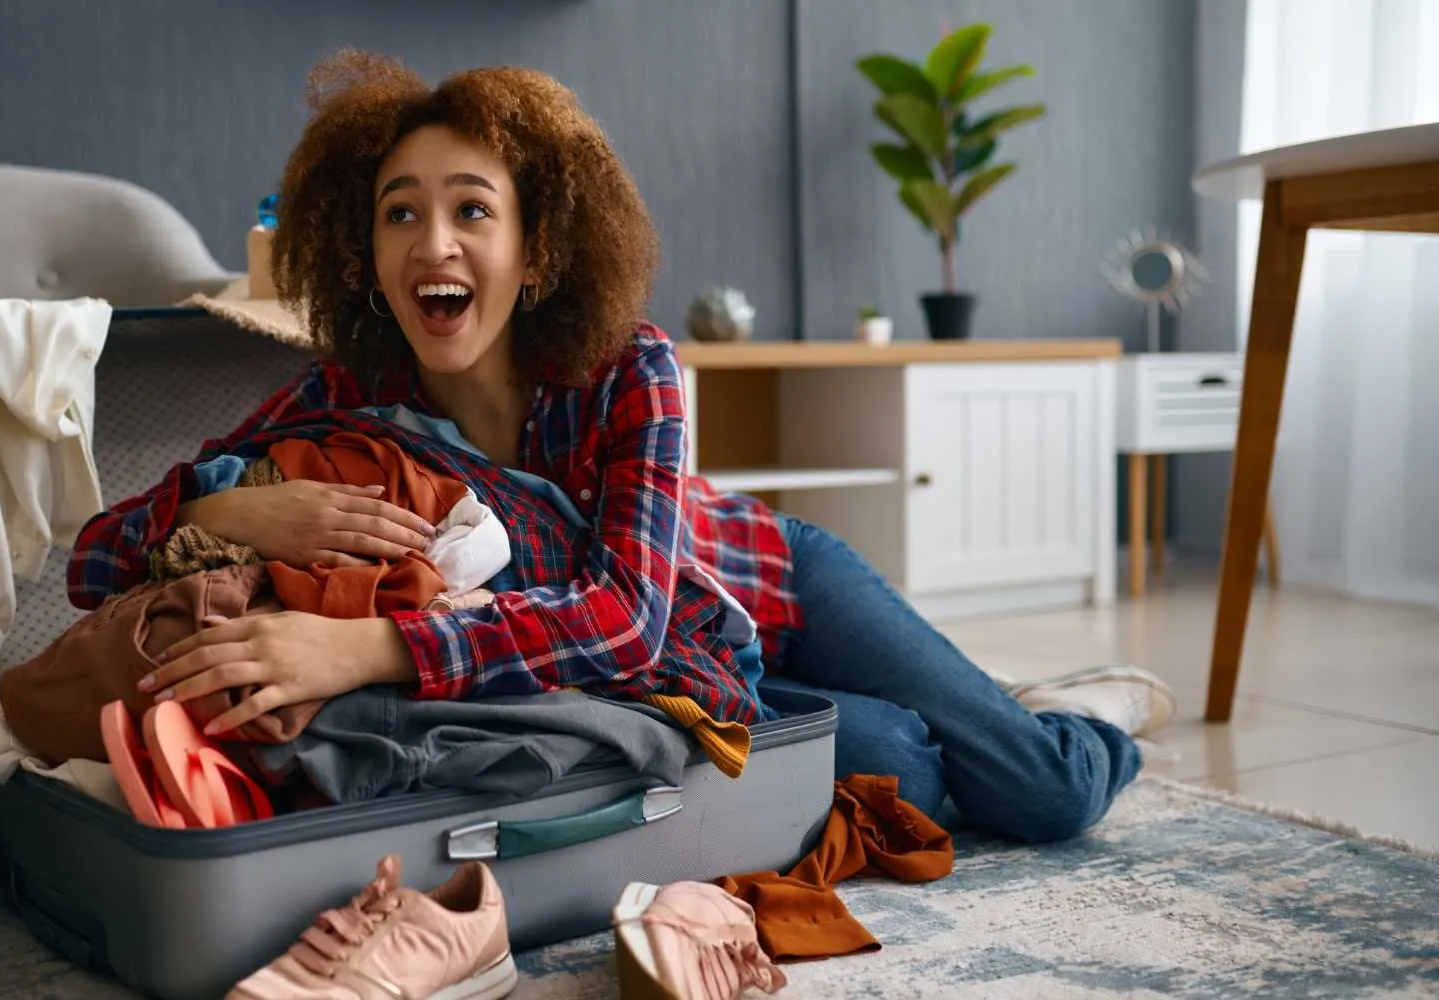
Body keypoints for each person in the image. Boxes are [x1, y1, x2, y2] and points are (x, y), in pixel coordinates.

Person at [66, 50, 1175, 844]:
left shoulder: (627, 367)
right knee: (912, 764)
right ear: (363, 249)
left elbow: (624, 612)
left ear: (536, 248)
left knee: (1043, 798)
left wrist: (362, 647)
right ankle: (975, 713)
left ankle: (1081, 711)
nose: (432, 241)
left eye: (471, 210)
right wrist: (219, 514)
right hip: (687, 681)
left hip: (775, 585)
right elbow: (90, 562)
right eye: (399, 213)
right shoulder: (342, 396)